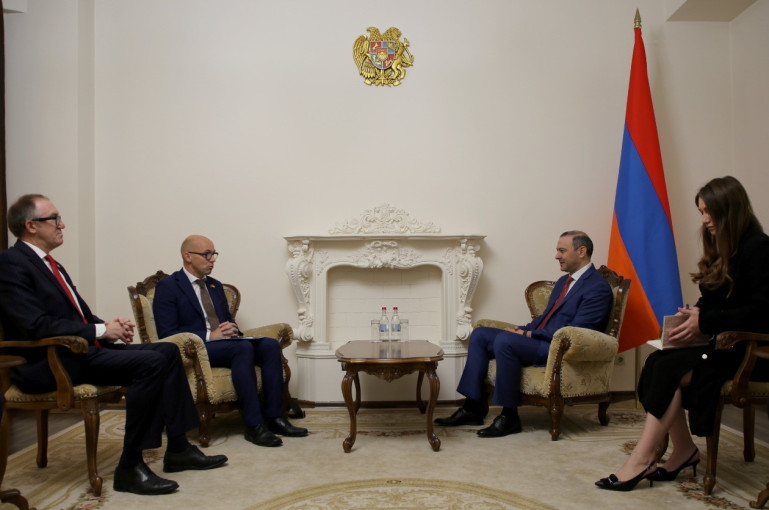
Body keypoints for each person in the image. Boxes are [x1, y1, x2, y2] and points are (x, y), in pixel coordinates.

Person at [0, 194, 228, 496]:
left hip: (81, 352)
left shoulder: (51, 264)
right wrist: (99, 330)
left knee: (168, 351)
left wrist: (109, 328)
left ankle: (178, 448)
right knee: (150, 363)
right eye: (54, 218)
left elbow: (76, 315)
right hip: (52, 362)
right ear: (31, 225)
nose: (62, 224)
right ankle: (130, 467)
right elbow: (34, 325)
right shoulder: (11, 264)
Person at [596, 176, 769, 492]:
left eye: (709, 211)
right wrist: (690, 319)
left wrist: (705, 321)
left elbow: (761, 311)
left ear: (729, 210)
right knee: (656, 361)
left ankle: (642, 459)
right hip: (721, 347)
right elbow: (712, 301)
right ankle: (684, 450)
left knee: (667, 368)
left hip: (749, 353)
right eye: (702, 211)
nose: (704, 219)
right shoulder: (722, 246)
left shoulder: (759, 248)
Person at [435, 231, 614, 437]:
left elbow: (578, 331)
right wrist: (522, 329)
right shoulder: (564, 282)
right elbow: (545, 318)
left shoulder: (597, 288)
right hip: (543, 340)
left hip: (559, 349)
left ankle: (509, 417)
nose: (557, 256)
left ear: (581, 251)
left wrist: (530, 335)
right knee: (481, 334)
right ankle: (472, 408)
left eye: (562, 250)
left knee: (506, 342)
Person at [152, 235, 308, 448]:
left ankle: (275, 418)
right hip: (195, 349)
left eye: (214, 254)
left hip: (226, 344)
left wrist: (231, 329)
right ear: (187, 256)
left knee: (269, 345)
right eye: (206, 254)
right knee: (242, 349)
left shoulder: (214, 286)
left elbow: (227, 320)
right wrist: (210, 335)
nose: (212, 260)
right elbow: (168, 333)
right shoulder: (168, 287)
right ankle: (254, 425)